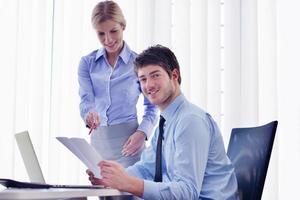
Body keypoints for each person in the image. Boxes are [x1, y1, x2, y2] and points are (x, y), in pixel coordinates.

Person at [87, 45, 239, 199]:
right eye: (143, 79)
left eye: (155, 75)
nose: (149, 85)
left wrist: (128, 183)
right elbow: (146, 168)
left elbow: (187, 192)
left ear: (174, 75)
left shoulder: (190, 121)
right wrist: (112, 177)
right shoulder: (165, 123)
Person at [78, 0, 158, 168]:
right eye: (101, 34)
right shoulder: (87, 63)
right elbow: (86, 100)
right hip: (98, 145)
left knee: (129, 193)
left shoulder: (139, 63)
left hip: (130, 144)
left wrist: (142, 133)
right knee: (101, 192)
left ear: (123, 26)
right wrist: (89, 114)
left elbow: (151, 107)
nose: (108, 39)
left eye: (113, 31)